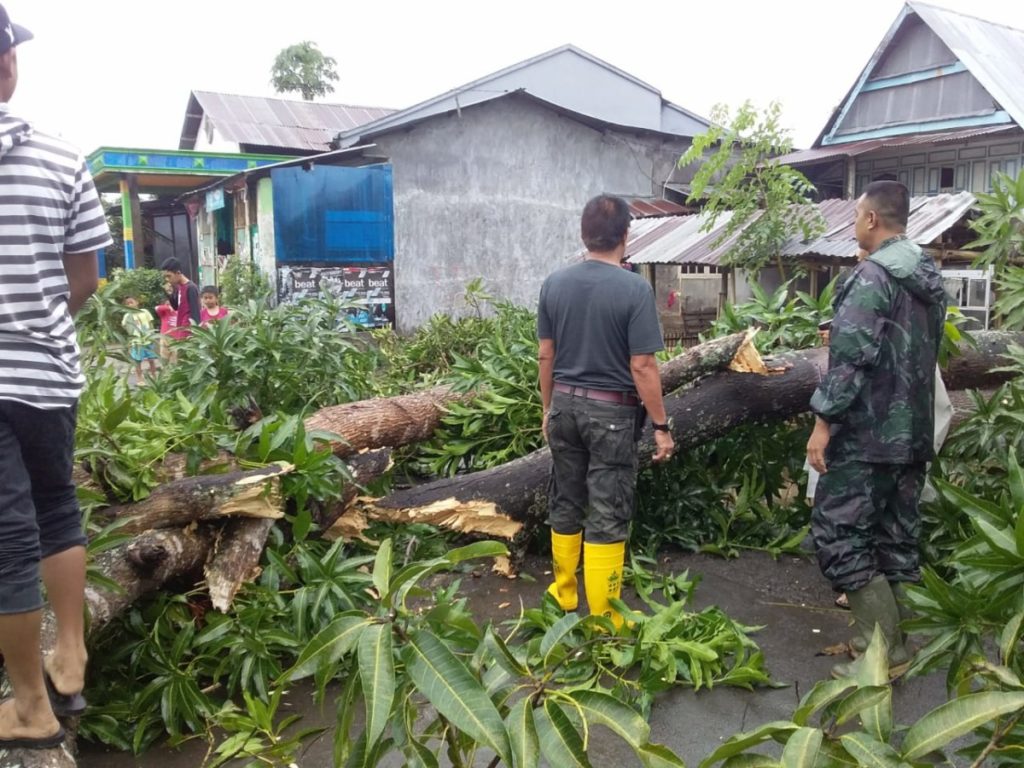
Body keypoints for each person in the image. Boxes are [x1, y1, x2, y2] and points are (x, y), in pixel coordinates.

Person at [0, 5, 111, 748]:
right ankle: (68, 659)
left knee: (7, 540)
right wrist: (38, 319)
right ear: (9, 67)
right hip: (48, 373)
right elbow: (85, 279)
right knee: (57, 508)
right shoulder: (64, 159)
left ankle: (30, 707)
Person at [806, 181, 946, 679]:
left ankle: (878, 654)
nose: (853, 226)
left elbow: (851, 361)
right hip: (913, 436)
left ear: (870, 219)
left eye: (856, 216)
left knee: (840, 535)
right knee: (897, 540)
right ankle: (901, 648)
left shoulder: (871, 277)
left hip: (867, 437)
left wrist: (823, 423)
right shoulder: (929, 277)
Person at [537, 194, 674, 629]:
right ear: (626, 237)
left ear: (583, 234)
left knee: (567, 497)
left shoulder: (554, 283)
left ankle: (562, 598)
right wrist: (661, 426)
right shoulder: (634, 289)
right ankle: (604, 616)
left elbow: (545, 355)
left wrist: (548, 408)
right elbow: (643, 365)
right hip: (611, 414)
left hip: (564, 405)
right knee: (607, 509)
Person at [120, 296, 158, 381]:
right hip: (137, 342)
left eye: (131, 302)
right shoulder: (127, 316)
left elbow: (150, 323)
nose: (130, 304)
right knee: (137, 361)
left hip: (148, 340)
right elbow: (124, 326)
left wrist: (152, 336)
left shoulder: (145, 312)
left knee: (151, 360)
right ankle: (139, 378)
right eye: (127, 304)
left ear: (137, 302)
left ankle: (154, 376)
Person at [161, 257, 200, 339]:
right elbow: (176, 307)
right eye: (165, 277)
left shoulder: (191, 288)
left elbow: (195, 312)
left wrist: (195, 334)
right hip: (180, 329)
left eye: (169, 276)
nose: (167, 279)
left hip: (188, 332)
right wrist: (170, 294)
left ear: (178, 273)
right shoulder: (179, 287)